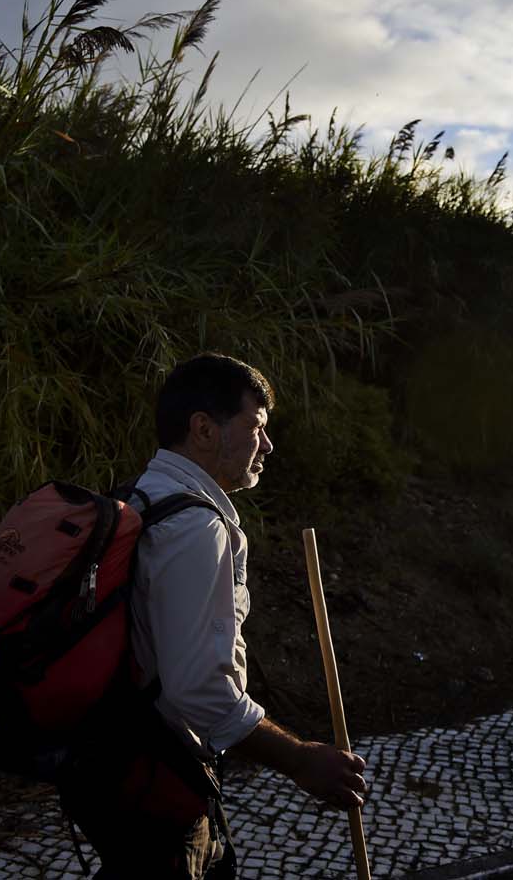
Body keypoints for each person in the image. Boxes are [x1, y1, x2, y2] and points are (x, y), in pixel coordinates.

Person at [58, 353, 367, 878]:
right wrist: (298, 760)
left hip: (105, 765)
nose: (267, 445)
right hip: (153, 773)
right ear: (203, 428)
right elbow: (198, 690)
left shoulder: (138, 497)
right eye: (256, 427)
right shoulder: (194, 527)